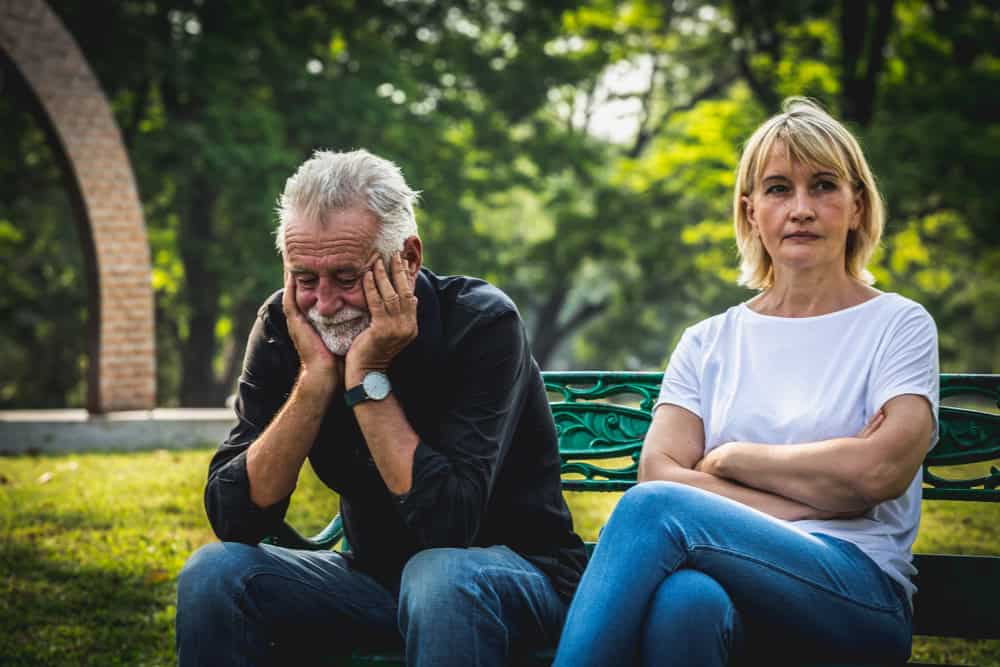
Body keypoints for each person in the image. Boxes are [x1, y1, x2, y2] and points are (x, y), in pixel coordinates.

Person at [553, 98, 939, 666]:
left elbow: (878, 470)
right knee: (685, 601)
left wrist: (732, 458)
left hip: (857, 594)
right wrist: (826, 490)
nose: (801, 209)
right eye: (779, 189)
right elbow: (660, 468)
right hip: (731, 588)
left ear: (857, 206)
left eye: (824, 186)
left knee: (652, 511)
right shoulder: (709, 341)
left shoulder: (898, 325)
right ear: (750, 211)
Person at [175, 149, 587, 666]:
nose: (323, 305)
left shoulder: (482, 323)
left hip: (520, 577)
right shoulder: (286, 326)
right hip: (372, 582)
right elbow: (233, 518)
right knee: (215, 574)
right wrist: (315, 379)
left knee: (437, 575)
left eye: (347, 280)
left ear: (408, 259)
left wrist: (368, 379)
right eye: (305, 278)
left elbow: (449, 526)